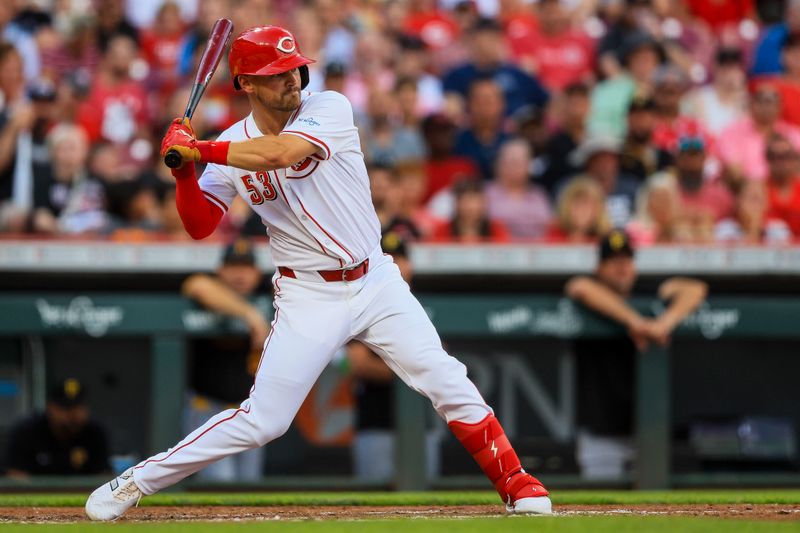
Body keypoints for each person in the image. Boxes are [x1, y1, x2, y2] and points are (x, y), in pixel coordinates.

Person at [86, 25, 552, 520]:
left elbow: (281, 153)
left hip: (375, 281)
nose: (291, 79)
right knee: (264, 421)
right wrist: (184, 174)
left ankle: (517, 484)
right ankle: (136, 481)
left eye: (294, 68)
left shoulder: (327, 107)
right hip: (308, 295)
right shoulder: (231, 144)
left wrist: (198, 149)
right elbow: (200, 224)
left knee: (445, 378)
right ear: (245, 83)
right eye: (276, 73)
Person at [565, 230, 707, 479]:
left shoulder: (648, 291)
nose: (622, 269)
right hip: (602, 434)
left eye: (627, 261)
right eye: (614, 262)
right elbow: (579, 287)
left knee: (656, 507)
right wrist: (635, 322)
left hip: (649, 433)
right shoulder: (590, 293)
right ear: (600, 267)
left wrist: (664, 323)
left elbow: (695, 289)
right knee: (597, 508)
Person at [348, 232, 440, 480]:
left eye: (400, 259)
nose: (396, 265)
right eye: (389, 258)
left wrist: (402, 367)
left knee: (427, 503)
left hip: (421, 425)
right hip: (376, 423)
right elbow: (359, 364)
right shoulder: (359, 301)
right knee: (370, 505)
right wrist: (413, 368)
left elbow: (439, 363)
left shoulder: (423, 304)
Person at [181, 238, 270, 482]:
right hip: (207, 409)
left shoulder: (270, 294)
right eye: (232, 266)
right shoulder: (209, 291)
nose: (239, 274)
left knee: (249, 486)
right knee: (220, 484)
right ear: (220, 270)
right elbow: (196, 285)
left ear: (257, 273)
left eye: (246, 267)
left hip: (250, 413)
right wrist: (249, 314)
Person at [442, 18, 548, 117]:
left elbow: (544, 102)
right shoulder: (456, 76)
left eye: (492, 39)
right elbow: (452, 109)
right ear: (472, 42)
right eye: (481, 40)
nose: (486, 45)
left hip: (516, 130)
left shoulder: (519, 74)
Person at [6, 378, 110, 476]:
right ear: (50, 407)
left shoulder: (95, 433)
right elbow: (14, 475)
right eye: (67, 408)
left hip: (84, 494)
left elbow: (103, 476)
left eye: (78, 407)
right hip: (37, 494)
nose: (74, 415)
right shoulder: (27, 431)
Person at [717, 81, 800, 185]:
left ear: (781, 106)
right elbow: (735, 172)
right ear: (751, 104)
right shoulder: (731, 134)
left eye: (772, 101)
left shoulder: (793, 135)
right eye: (761, 100)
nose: (767, 106)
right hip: (747, 193)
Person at [566, 136, 640, 228]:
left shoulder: (631, 188)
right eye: (598, 159)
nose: (604, 165)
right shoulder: (573, 189)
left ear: (617, 162)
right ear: (588, 163)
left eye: (609, 159)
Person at [485, 138, 552, 239]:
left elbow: (549, 226)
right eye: (512, 162)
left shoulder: (538, 194)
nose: (517, 167)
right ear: (499, 164)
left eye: (522, 162)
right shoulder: (487, 192)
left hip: (535, 251)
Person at [430, 180, 511, 243]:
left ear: (484, 203)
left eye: (474, 201)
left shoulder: (496, 229)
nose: (470, 207)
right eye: (465, 201)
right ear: (456, 204)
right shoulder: (441, 231)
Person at [715, 180, 791, 244]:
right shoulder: (724, 230)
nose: (754, 206)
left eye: (758, 199)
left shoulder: (778, 230)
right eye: (750, 199)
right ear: (738, 203)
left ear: (766, 205)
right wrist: (752, 230)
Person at [545, 177, 611, 243]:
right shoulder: (554, 233)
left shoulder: (606, 238)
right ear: (566, 207)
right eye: (578, 205)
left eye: (587, 205)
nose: (582, 210)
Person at [765, 134, 800, 236]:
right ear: (767, 159)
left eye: (786, 156)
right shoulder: (757, 190)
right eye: (774, 157)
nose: (780, 162)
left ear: (795, 159)